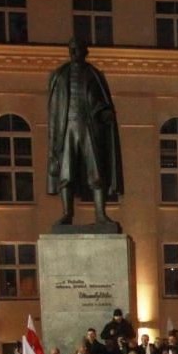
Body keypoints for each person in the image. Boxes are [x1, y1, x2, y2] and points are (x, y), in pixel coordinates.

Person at [47, 37, 124, 226]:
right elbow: (53, 113)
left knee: (96, 171)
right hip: (67, 128)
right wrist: (52, 147)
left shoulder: (95, 75)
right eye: (71, 49)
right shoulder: (59, 75)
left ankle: (100, 214)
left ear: (85, 52)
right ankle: (67, 213)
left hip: (90, 127)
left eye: (78, 49)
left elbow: (105, 104)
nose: (74, 53)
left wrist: (105, 114)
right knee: (66, 173)